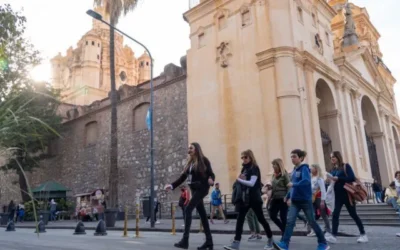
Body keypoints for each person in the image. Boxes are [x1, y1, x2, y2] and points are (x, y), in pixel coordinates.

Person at [274, 149, 329, 250]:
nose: (292, 159)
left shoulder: (304, 169)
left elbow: (306, 181)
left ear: (301, 158)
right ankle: (284, 244)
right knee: (290, 221)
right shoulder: (294, 171)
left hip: (305, 201)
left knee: (312, 222)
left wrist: (294, 184)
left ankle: (323, 243)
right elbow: (292, 187)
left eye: (294, 156)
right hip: (295, 201)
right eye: (291, 157)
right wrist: (288, 195)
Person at [164, 142, 215, 250]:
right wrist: (171, 185)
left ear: (196, 149)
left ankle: (185, 240)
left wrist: (211, 179)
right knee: (203, 216)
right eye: (189, 148)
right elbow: (182, 178)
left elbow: (211, 173)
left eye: (191, 148)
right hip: (195, 190)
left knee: (188, 210)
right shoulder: (190, 163)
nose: (189, 150)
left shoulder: (204, 160)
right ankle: (209, 242)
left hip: (202, 189)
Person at [224, 150, 274, 250]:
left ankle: (270, 240)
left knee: (261, 219)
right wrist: (240, 179)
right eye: (242, 157)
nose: (243, 159)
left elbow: (252, 183)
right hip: (244, 198)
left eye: (245, 157)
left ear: (250, 157)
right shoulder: (244, 169)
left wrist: (240, 179)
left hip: (254, 198)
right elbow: (243, 182)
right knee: (240, 220)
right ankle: (236, 243)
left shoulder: (254, 168)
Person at [326, 151, 368, 244]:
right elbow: (334, 181)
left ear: (338, 157)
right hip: (337, 196)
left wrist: (339, 178)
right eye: (331, 157)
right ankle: (333, 235)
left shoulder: (345, 166)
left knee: (353, 214)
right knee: (335, 214)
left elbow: (351, 178)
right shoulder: (333, 169)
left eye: (333, 157)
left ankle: (363, 234)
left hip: (347, 194)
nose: (332, 159)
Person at [306, 164, 332, 238]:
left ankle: (328, 230)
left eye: (312, 168)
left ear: (316, 169)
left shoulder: (319, 179)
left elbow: (323, 190)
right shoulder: (310, 178)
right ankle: (312, 230)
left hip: (319, 198)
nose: (310, 169)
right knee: (311, 214)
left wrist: (322, 201)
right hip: (312, 198)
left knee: (323, 214)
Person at [268, 158, 290, 234]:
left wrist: (288, 197)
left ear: (279, 165)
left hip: (283, 198)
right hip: (274, 198)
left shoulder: (284, 174)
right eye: (272, 165)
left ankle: (285, 234)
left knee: (283, 217)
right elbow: (273, 185)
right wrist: (269, 187)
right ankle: (284, 229)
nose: (273, 166)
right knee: (272, 215)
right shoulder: (273, 175)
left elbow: (289, 186)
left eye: (274, 164)